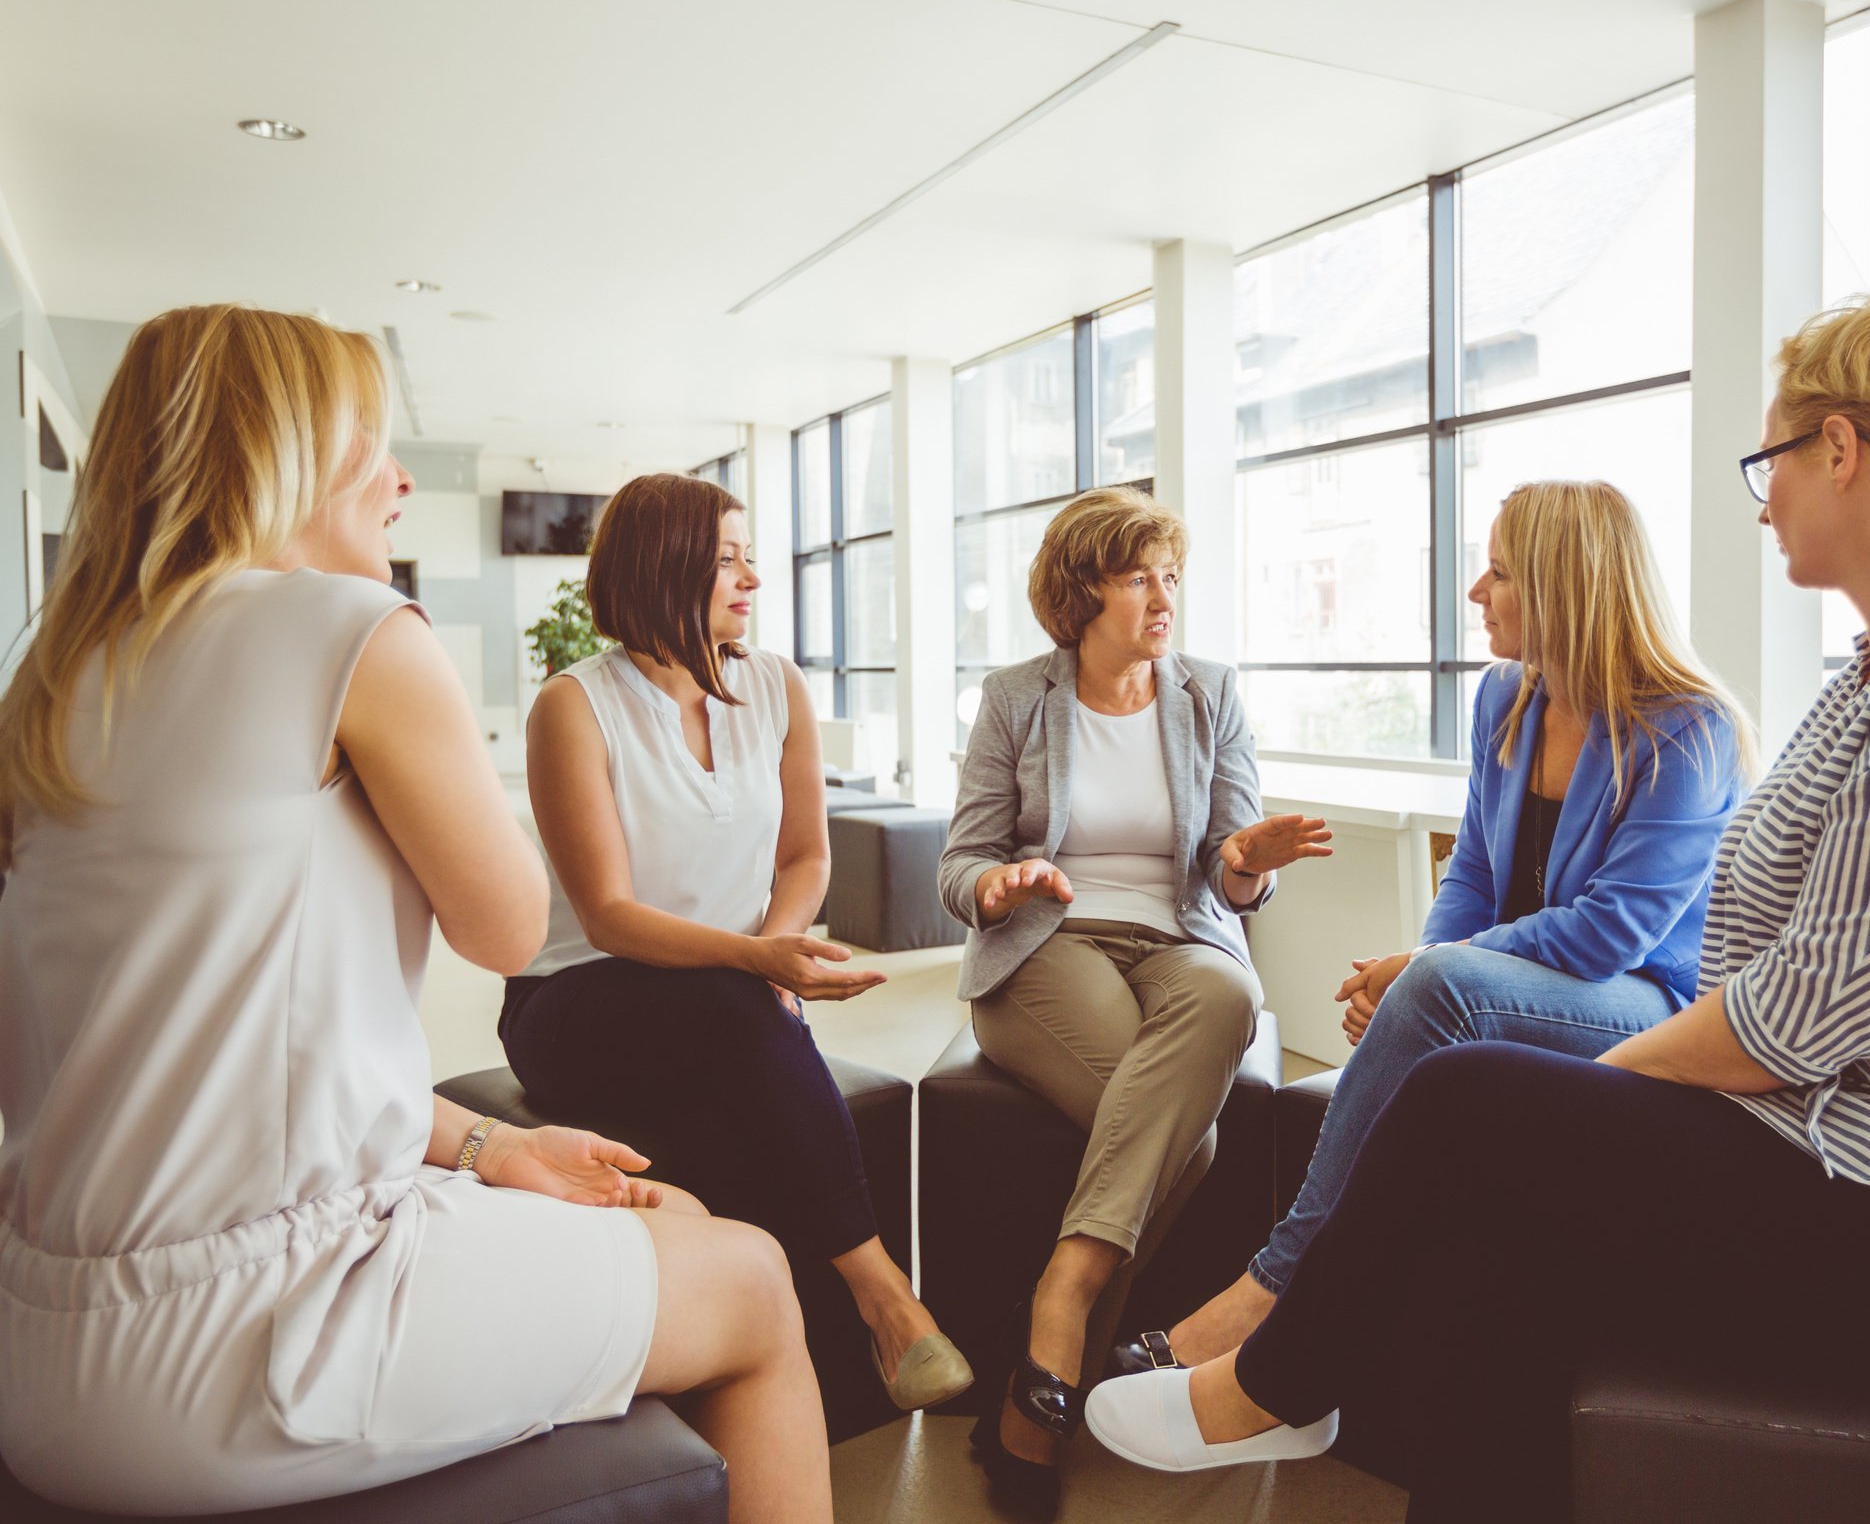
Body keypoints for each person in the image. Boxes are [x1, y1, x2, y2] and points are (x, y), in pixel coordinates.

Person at [1085, 286, 1870, 1522]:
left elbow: (1795, 1018)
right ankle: (1292, 1375)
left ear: (1841, 449)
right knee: (1493, 1261)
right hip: (1862, 1156)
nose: (1768, 501)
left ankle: (1271, 1377)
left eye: (1776, 462)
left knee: (1469, 1105)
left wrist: (1577, 1102)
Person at [0, 306, 830, 1524]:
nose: (397, 482)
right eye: (372, 446)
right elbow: (510, 923)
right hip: (250, 1345)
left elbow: (202, 1053)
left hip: (44, 1341)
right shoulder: (348, 629)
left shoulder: (55, 678)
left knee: (684, 1218)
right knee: (753, 1281)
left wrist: (493, 1148)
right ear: (283, 454)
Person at [1122, 479, 1751, 1375]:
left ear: (1564, 587)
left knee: (1438, 988)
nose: (1474, 593)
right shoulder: (1506, 698)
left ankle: (1269, 1292)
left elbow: (1612, 934)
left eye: (1497, 573)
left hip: (1648, 1007)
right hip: (1514, 987)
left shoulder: (1688, 730)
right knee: (1434, 989)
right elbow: (1476, 873)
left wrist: (1423, 970)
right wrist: (1421, 969)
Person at [505, 471, 969, 1415]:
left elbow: (806, 856)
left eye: (750, 556)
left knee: (737, 1076)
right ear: (665, 565)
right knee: (734, 1009)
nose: (752, 577)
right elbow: (607, 914)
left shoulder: (773, 686)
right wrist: (760, 965)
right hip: (578, 998)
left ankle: (767, 1372)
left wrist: (778, 948)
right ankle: (886, 1299)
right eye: (728, 559)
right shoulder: (574, 706)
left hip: (723, 999)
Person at [936, 486, 1332, 1516]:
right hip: (1049, 941)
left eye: (1170, 575)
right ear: (1081, 592)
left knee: (1227, 997)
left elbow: (1233, 869)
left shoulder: (1210, 692)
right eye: (1136, 576)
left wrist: (1247, 863)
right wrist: (997, 886)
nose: (1163, 597)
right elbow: (963, 860)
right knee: (1181, 1140)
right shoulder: (1018, 697)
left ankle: (1048, 1325)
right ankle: (1069, 1335)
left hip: (1178, 939)